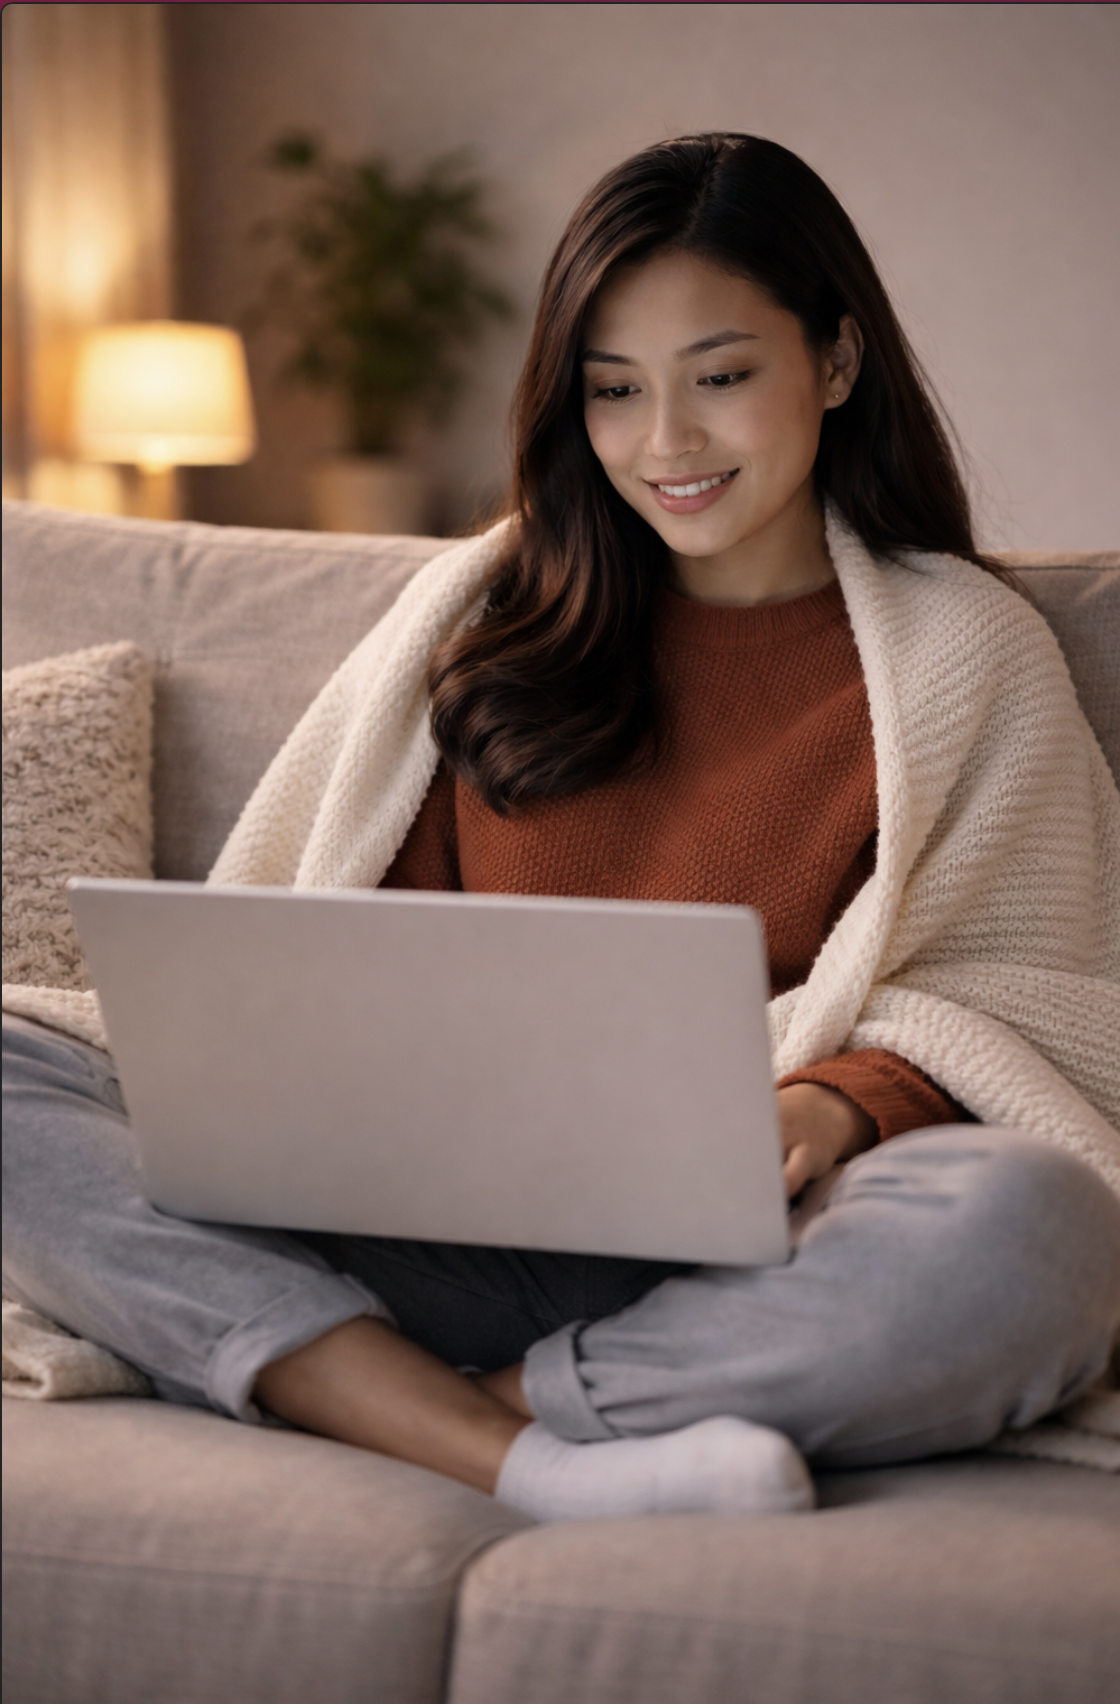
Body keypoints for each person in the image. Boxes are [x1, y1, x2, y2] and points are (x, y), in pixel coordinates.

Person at [5, 134, 1120, 1522]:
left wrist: (838, 1099)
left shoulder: (965, 652)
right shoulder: (487, 622)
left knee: (1037, 1234)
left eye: (722, 378)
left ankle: (431, 1402)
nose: (670, 444)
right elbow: (335, 938)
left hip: (754, 1254)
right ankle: (521, 1465)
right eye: (614, 391)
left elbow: (1034, 995)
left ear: (836, 363)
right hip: (428, 1224)